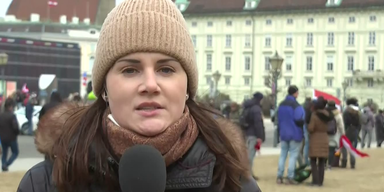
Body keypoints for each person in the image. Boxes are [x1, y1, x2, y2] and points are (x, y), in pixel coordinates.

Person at [17, 0, 260, 191]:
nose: (150, 85)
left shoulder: (232, 183)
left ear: (187, 88)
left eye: (166, 69)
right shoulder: (44, 184)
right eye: (130, 70)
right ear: (103, 89)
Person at [276, 85, 305, 185]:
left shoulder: (281, 104)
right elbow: (299, 119)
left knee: (283, 155)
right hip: (295, 133)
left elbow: (277, 118)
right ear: (295, 93)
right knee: (293, 155)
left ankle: (279, 176)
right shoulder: (296, 105)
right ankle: (290, 177)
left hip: (284, 132)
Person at [307, 96, 332, 187]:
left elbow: (311, 128)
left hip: (315, 138)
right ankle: (321, 181)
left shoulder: (314, 115)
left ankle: (315, 181)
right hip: (324, 137)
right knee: (322, 162)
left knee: (313, 161)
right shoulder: (327, 114)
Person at [243, 92, 265, 180]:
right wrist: (260, 136)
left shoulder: (248, 106)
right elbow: (258, 123)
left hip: (247, 133)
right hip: (253, 134)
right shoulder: (256, 109)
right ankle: (248, 174)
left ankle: (248, 173)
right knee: (250, 155)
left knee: (248, 154)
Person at [0, 98, 19, 172]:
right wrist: (17, 133)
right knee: (15, 152)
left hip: (3, 137)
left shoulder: (1, 115)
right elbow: (15, 127)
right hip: (11, 138)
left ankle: (3, 164)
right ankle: (6, 164)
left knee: (4, 153)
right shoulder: (12, 116)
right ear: (10, 106)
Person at [341, 98, 360, 169]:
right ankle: (353, 163)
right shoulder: (357, 113)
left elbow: (344, 122)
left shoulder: (346, 112)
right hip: (354, 131)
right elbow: (359, 124)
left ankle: (344, 162)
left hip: (347, 130)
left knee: (344, 147)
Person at [325, 100, 345, 169]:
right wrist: (343, 134)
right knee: (332, 150)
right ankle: (330, 164)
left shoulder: (324, 112)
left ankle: (324, 163)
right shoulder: (338, 114)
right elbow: (341, 125)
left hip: (324, 133)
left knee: (325, 149)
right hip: (334, 133)